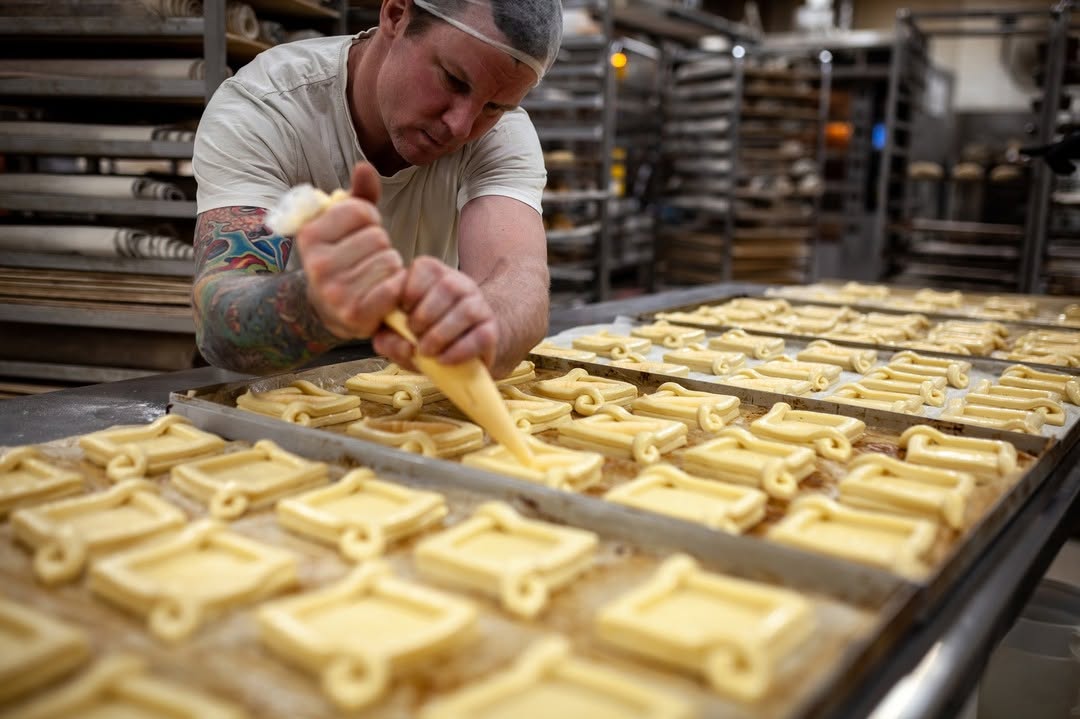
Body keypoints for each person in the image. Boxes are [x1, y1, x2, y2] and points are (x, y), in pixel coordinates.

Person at [191, 0, 561, 378]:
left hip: (412, 377)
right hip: (274, 379)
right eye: (453, 79)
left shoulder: (502, 134)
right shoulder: (266, 109)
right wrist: (316, 305)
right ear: (396, 15)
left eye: (495, 106)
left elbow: (519, 277)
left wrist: (491, 327)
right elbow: (219, 318)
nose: (461, 126)